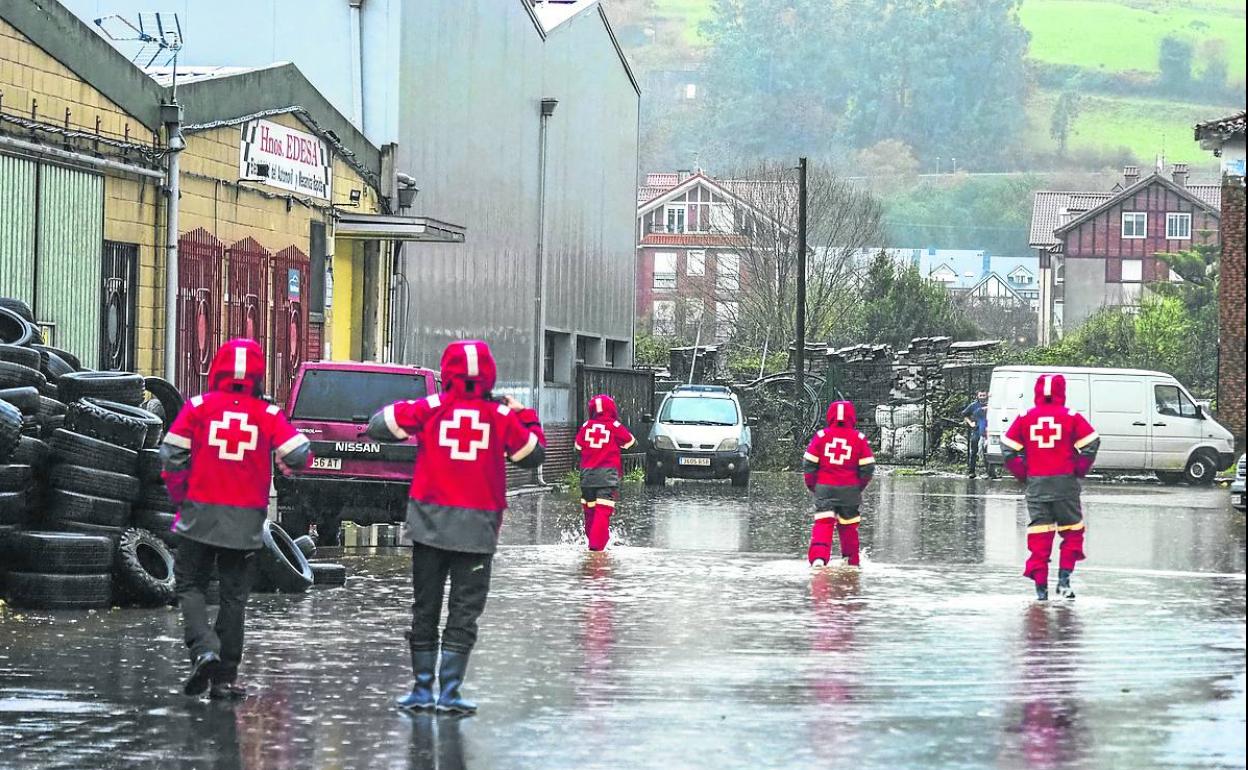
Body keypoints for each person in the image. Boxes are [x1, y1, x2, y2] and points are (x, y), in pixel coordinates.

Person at [368, 340, 545, 714]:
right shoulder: (500, 417)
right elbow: (533, 455)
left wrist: (417, 409)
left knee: (425, 608)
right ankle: (450, 692)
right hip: (477, 531)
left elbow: (379, 425)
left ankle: (420, 690)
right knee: (464, 612)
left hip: (429, 527)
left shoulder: (431, 408)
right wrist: (525, 415)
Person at [160, 338, 311, 700]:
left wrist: (182, 495)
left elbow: (169, 455)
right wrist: (287, 461)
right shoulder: (268, 414)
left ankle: (203, 649)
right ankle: (225, 679)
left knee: (190, 585)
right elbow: (300, 452)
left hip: (199, 513)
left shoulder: (197, 407)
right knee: (233, 598)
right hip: (245, 522)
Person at [1001, 373, 1099, 601]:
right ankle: (1064, 583)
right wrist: (1079, 469)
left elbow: (1007, 449)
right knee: (1072, 533)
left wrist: (1024, 474)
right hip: (1065, 486)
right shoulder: (1071, 417)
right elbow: (1092, 442)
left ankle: (1041, 591)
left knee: (1040, 537)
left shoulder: (1025, 417)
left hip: (1037, 487)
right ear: (1061, 391)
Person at [802, 400, 875, 568]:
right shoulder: (859, 438)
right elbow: (868, 467)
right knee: (849, 528)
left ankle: (819, 559)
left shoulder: (821, 436)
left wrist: (814, 486)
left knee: (823, 524)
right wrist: (858, 486)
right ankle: (851, 562)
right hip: (850, 492)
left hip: (824, 490)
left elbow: (809, 464)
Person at [574, 394, 636, 551]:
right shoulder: (614, 425)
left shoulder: (586, 426)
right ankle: (597, 548)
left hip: (587, 475)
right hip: (607, 475)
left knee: (590, 510)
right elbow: (630, 442)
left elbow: (578, 447)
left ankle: (592, 542)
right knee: (603, 511)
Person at [961, 391, 995, 479]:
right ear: (977, 396)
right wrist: (970, 423)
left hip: (988, 430)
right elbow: (964, 414)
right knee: (974, 451)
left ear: (987, 395)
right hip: (976, 430)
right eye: (980, 395)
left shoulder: (992, 404)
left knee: (987, 451)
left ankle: (990, 472)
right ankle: (971, 471)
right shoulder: (973, 405)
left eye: (984, 395)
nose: (982, 397)